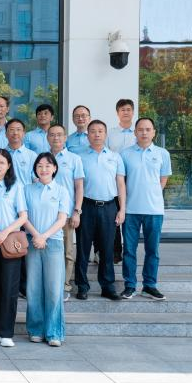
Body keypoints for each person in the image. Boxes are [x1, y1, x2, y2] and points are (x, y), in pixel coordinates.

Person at [120, 118, 172, 301]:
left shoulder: (162, 154)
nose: (144, 132)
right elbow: (121, 182)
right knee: (129, 250)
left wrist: (152, 194)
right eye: (140, 129)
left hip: (154, 210)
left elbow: (163, 180)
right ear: (135, 132)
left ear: (154, 132)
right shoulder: (125, 154)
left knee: (152, 250)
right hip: (131, 210)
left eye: (148, 129)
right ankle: (130, 285)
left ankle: (149, 286)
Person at [74, 120, 126, 301]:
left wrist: (122, 210)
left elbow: (121, 184)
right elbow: (77, 185)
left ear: (105, 134)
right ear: (87, 135)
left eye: (100, 131)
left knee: (107, 249)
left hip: (109, 207)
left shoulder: (115, 157)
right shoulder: (78, 156)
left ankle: (108, 286)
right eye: (93, 131)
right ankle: (82, 286)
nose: (97, 134)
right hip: (86, 206)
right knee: (83, 249)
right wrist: (76, 210)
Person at [24, 152, 69, 347]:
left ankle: (54, 332)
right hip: (32, 241)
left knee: (54, 289)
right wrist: (36, 235)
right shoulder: (27, 189)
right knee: (33, 288)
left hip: (54, 243)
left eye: (48, 165)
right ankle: (35, 329)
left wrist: (44, 236)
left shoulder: (61, 190)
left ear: (55, 168)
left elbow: (62, 219)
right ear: (35, 168)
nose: (43, 169)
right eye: (40, 166)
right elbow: (23, 216)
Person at [0, 149, 28, 347]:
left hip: (10, 243)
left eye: (2, 162)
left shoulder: (15, 186)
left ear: (9, 165)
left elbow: (23, 216)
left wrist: (6, 232)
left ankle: (6, 333)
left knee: (10, 288)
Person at [47, 125, 84, 301]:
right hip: (46, 215)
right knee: (47, 251)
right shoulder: (42, 158)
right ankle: (50, 284)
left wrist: (77, 211)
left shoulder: (74, 159)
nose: (56, 138)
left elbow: (79, 187)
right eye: (52, 135)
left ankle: (64, 284)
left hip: (66, 214)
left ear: (65, 138)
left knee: (67, 252)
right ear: (47, 137)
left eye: (59, 135)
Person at [107, 98, 136, 264]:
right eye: (122, 110)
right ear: (117, 113)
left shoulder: (138, 132)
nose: (126, 112)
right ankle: (115, 253)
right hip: (115, 180)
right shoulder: (110, 133)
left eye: (128, 109)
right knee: (115, 216)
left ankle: (129, 252)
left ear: (133, 112)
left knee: (130, 217)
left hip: (134, 179)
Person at [5, 119, 36, 186]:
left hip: (25, 192)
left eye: (18, 129)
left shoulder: (32, 155)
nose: (15, 133)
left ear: (24, 133)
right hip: (5, 192)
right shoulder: (1, 155)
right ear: (6, 134)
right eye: (12, 129)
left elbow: (36, 179)